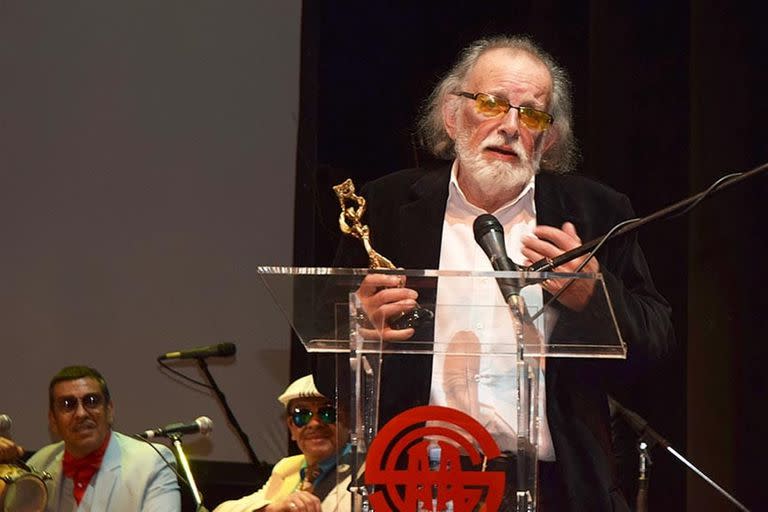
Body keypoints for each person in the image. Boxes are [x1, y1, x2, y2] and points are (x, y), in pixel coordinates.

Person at [327, 35, 675, 511]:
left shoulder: (596, 213)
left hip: (555, 489)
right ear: (453, 116)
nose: (511, 126)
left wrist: (595, 298)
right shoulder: (385, 209)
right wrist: (360, 327)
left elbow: (657, 349)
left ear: (547, 138)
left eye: (531, 114)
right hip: (415, 481)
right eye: (492, 103)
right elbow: (325, 371)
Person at [26, 365, 181, 511]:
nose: (81, 414)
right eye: (68, 404)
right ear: (53, 420)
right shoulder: (38, 465)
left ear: (109, 411)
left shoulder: (152, 464)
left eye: (91, 401)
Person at [214, 375, 352, 512]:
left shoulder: (365, 470)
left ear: (349, 421)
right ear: (291, 427)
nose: (314, 424)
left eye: (327, 413)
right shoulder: (287, 468)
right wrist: (271, 509)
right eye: (302, 415)